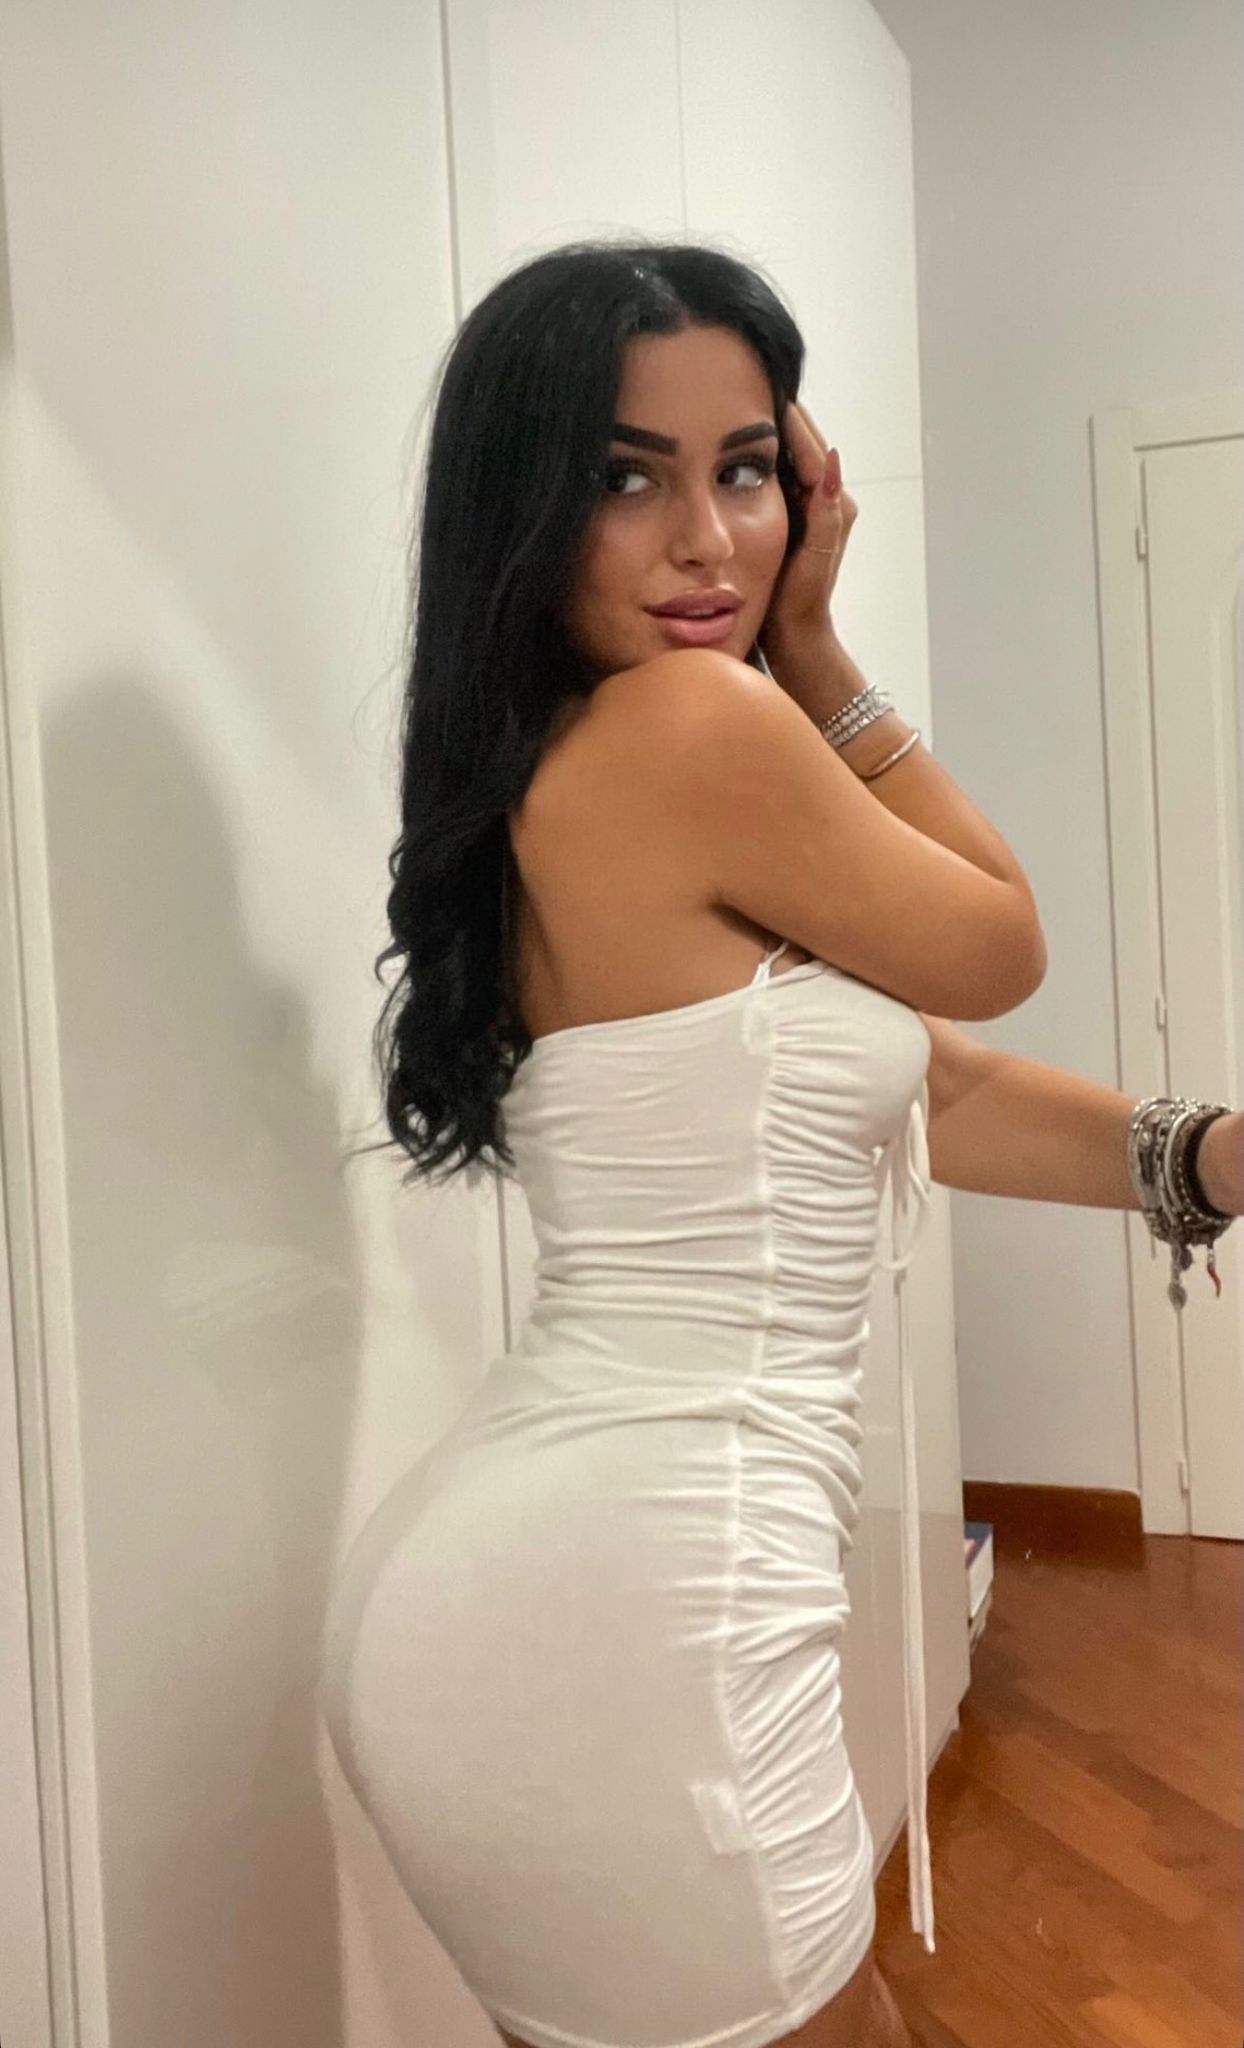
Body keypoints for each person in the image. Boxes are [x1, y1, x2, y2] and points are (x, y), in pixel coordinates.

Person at [319, 240, 1240, 2048]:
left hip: (556, 1586)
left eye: (745, 470)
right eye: (624, 478)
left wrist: (1203, 1158)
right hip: (647, 1606)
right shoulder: (693, 724)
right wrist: (815, 646)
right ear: (523, 507)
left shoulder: (561, 765)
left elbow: (931, 1086)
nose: (709, 542)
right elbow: (999, 943)